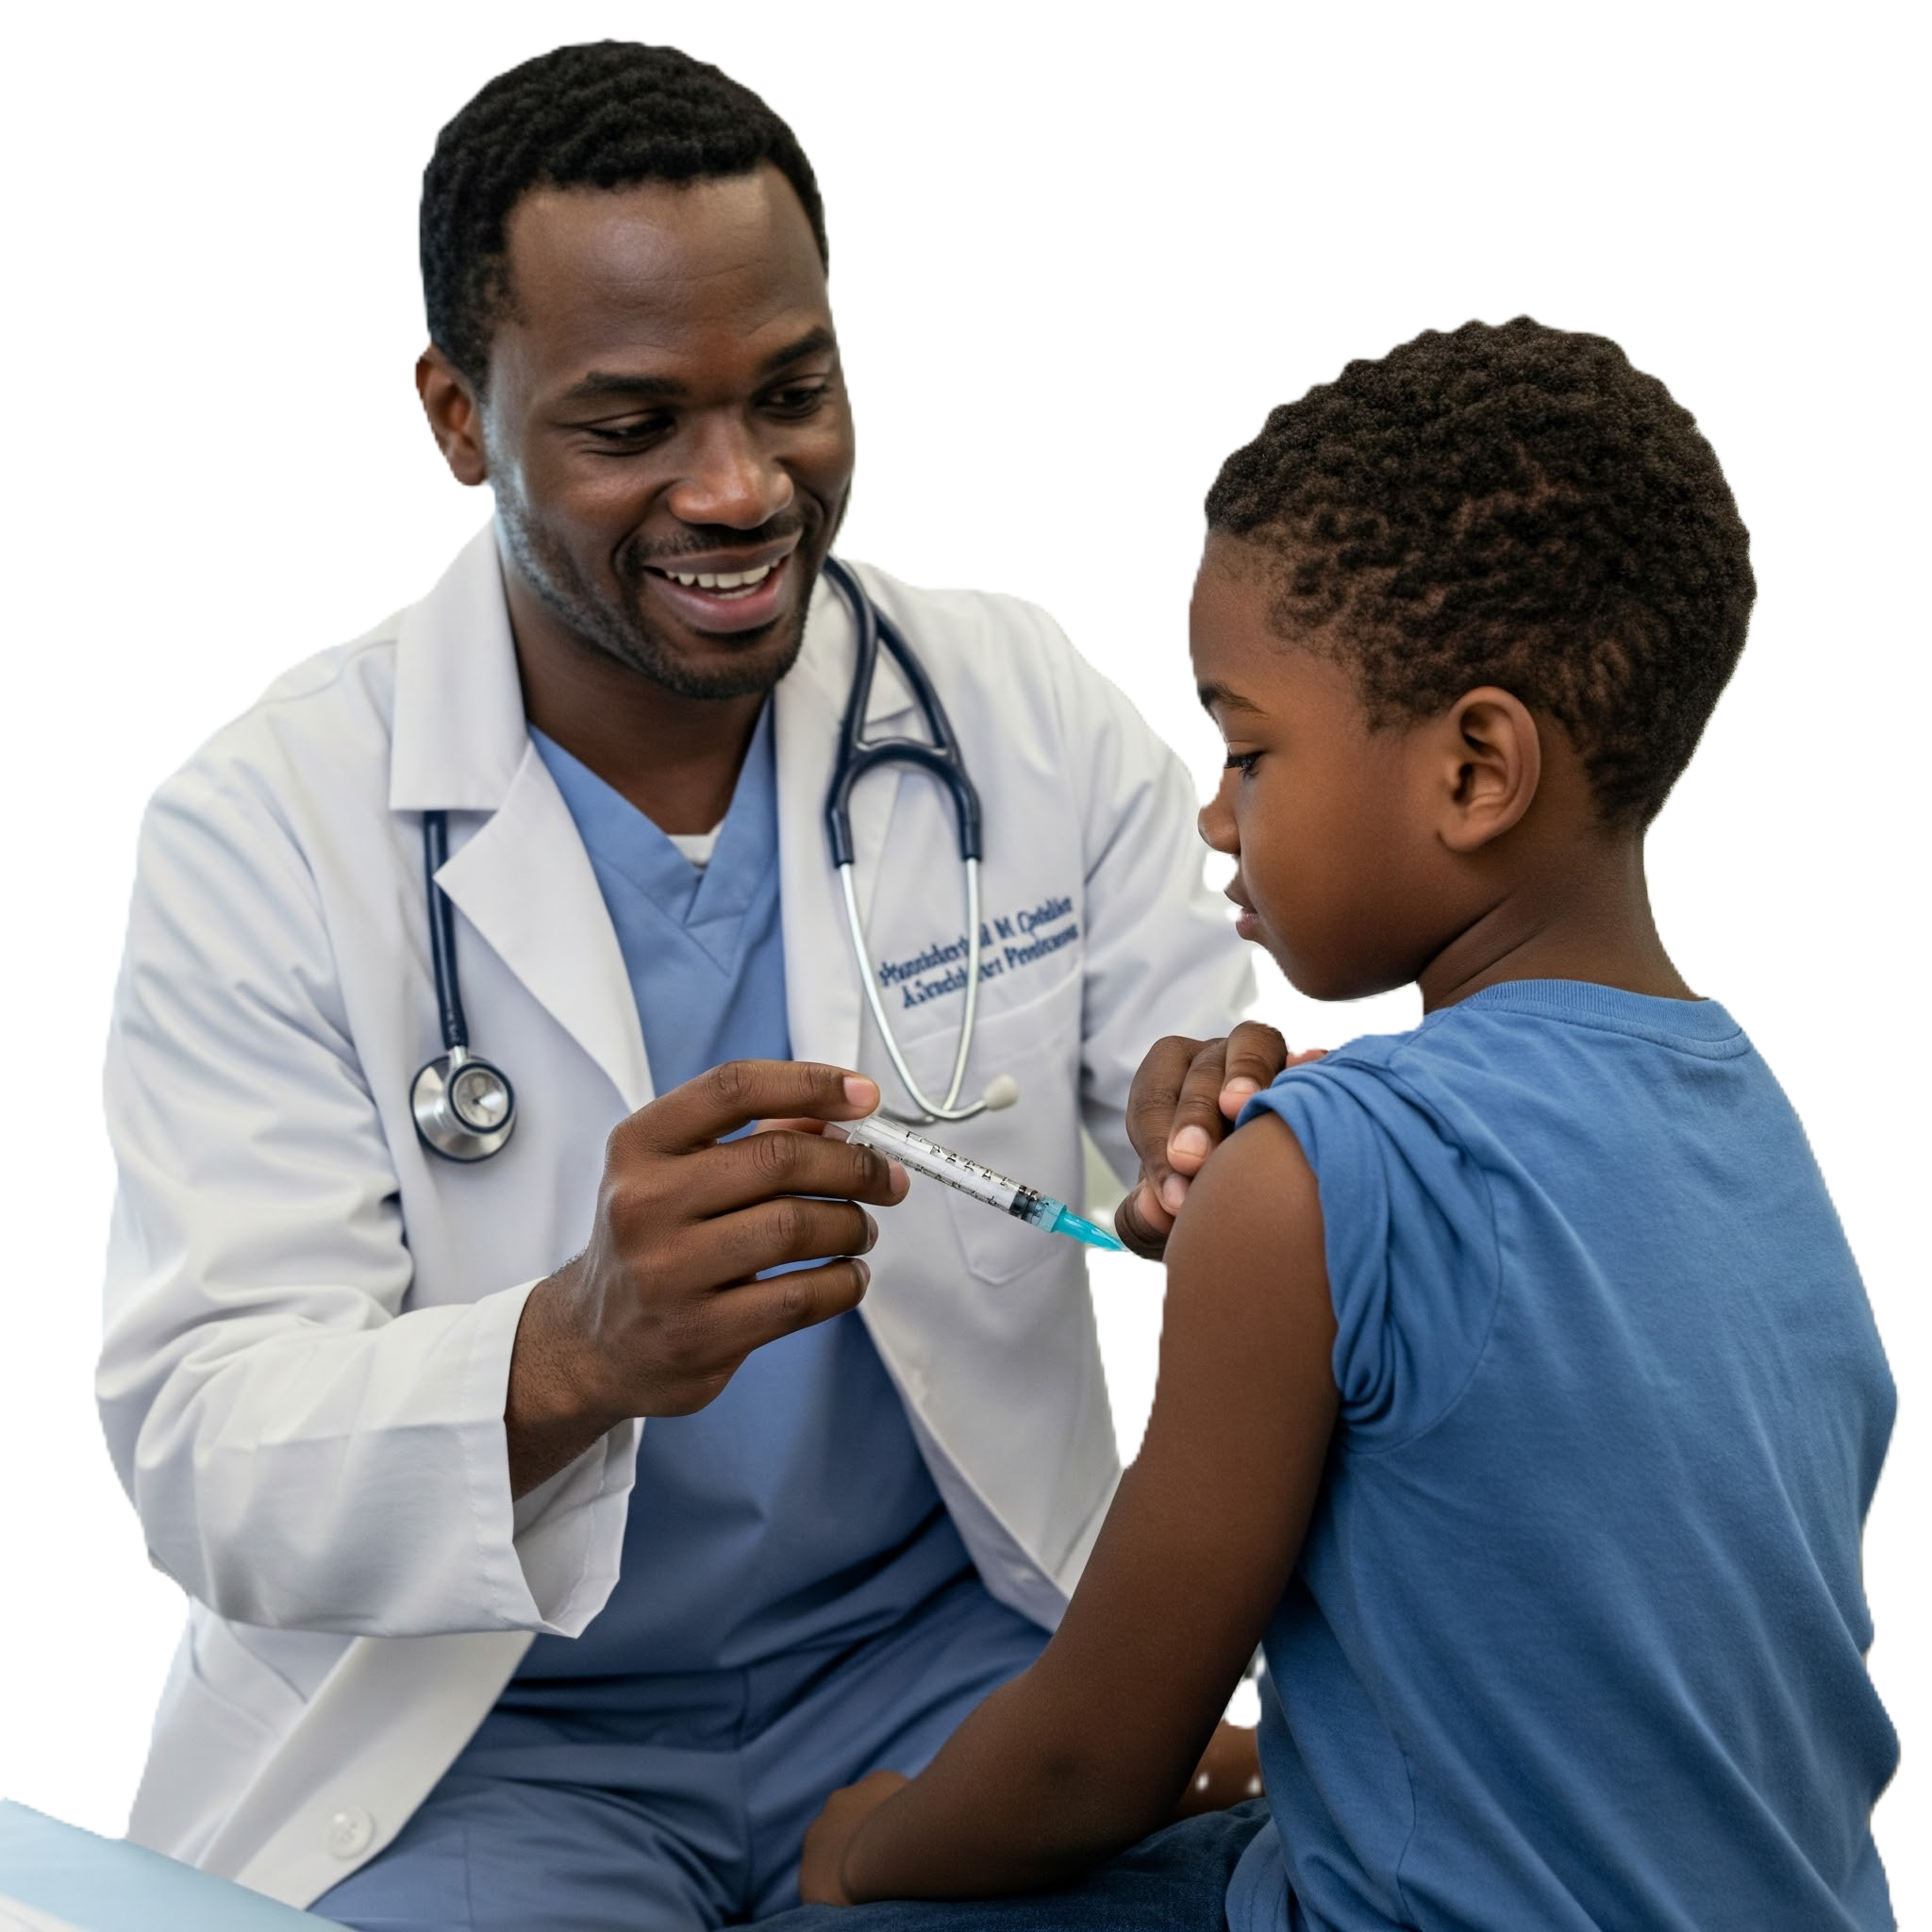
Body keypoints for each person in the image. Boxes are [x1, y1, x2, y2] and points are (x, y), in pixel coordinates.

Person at [94, 41, 1283, 1927]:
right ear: (457, 415)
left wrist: (1187, 1124)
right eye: (630, 423)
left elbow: (1168, 1055)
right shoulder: (269, 831)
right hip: (486, 1742)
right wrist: (574, 1344)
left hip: (939, 1674)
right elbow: (200, 1451)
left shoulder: (1002, 707)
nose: (740, 488)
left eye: (791, 393)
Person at [778, 318, 1900, 1929]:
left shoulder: (1322, 1170)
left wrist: (863, 1853)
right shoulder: (1752, 1125)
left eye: (1248, 748)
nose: (1212, 812)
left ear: (1475, 771)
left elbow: (1093, 1761)